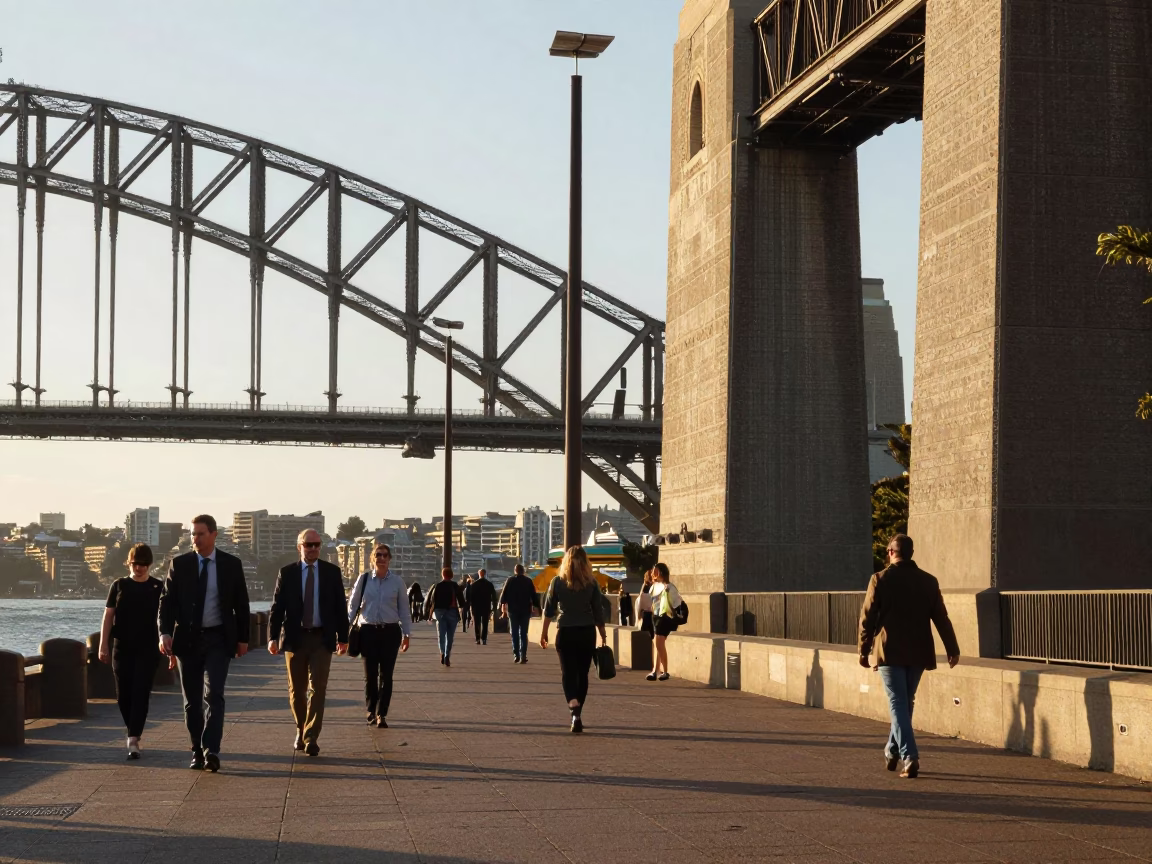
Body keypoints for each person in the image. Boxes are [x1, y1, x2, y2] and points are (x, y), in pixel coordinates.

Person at [858, 533, 960, 779]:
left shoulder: (879, 579)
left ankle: (909, 756)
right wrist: (952, 648)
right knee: (905, 703)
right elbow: (941, 618)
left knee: (898, 703)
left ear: (891, 552)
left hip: (889, 651)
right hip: (918, 651)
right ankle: (892, 751)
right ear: (911, 553)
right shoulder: (928, 581)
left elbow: (867, 617)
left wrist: (863, 650)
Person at [158, 514, 250, 773]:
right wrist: (164, 633)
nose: (195, 539)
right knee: (192, 701)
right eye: (192, 535)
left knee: (215, 695)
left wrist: (243, 638)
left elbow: (241, 604)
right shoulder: (180, 564)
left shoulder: (231, 565)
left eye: (200, 534)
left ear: (213, 535)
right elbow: (166, 602)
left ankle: (212, 750)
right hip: (187, 641)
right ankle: (196, 750)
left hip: (218, 639)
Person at [267, 529, 349, 756]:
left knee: (318, 689)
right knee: (297, 690)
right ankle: (300, 728)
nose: (313, 548)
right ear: (299, 546)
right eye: (308, 544)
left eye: (316, 544)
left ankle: (311, 736)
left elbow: (340, 607)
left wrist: (343, 638)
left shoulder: (331, 572)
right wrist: (272, 637)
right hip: (295, 638)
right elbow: (277, 608)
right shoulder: (287, 573)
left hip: (321, 638)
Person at [99, 543, 170, 760]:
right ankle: (133, 729)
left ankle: (133, 737)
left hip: (149, 648)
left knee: (141, 691)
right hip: (122, 646)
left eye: (144, 564)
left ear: (150, 565)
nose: (139, 568)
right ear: (128, 563)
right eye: (135, 564)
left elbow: (166, 620)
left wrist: (170, 650)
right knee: (123, 694)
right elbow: (108, 616)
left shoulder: (158, 587)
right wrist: (103, 645)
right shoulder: (119, 585)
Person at [539, 546, 608, 733]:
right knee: (583, 674)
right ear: (586, 562)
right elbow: (598, 611)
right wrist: (602, 633)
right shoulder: (592, 584)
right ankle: (577, 715)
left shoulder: (557, 582)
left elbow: (548, 610)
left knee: (568, 673)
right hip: (586, 632)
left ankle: (573, 705)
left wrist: (544, 633)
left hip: (566, 632)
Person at [347, 543, 411, 728]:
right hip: (367, 632)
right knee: (370, 675)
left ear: (390, 558)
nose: (381, 558)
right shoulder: (364, 579)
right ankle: (371, 709)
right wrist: (345, 630)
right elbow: (353, 606)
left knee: (387, 675)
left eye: (385, 555)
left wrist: (407, 634)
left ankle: (382, 713)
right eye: (378, 555)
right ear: (372, 558)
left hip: (390, 632)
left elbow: (404, 610)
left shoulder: (397, 582)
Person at [498, 564, 541, 663]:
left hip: (513, 611)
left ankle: (516, 655)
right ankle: (523, 655)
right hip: (525, 611)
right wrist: (538, 607)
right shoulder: (528, 581)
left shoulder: (510, 580)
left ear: (515, 571)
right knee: (523, 633)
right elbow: (534, 596)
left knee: (514, 633)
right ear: (523, 571)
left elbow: (503, 595)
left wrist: (502, 606)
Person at [647, 563, 682, 681]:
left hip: (665, 618)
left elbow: (677, 603)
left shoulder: (670, 588)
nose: (652, 574)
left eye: (654, 572)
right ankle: (655, 671)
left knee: (658, 643)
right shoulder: (654, 587)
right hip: (656, 618)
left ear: (659, 573)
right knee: (657, 644)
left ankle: (664, 671)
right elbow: (652, 604)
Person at [425, 568, 464, 666]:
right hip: (452, 612)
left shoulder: (438, 586)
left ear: (443, 575)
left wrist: (430, 615)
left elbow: (433, 601)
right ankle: (447, 655)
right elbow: (461, 601)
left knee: (441, 635)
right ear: (451, 575)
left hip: (440, 612)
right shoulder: (455, 586)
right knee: (450, 636)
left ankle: (442, 652)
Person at [467, 568, 497, 645]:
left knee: (477, 623)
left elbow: (471, 597)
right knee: (485, 623)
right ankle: (484, 639)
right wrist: (494, 607)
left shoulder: (474, 585)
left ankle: (477, 639)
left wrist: (471, 607)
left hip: (476, 607)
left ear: (479, 574)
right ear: (485, 574)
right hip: (486, 606)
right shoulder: (489, 584)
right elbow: (494, 596)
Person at [636, 568, 655, 638]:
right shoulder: (650, 588)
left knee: (645, 634)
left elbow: (640, 603)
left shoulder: (644, 587)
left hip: (645, 614)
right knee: (650, 634)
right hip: (649, 614)